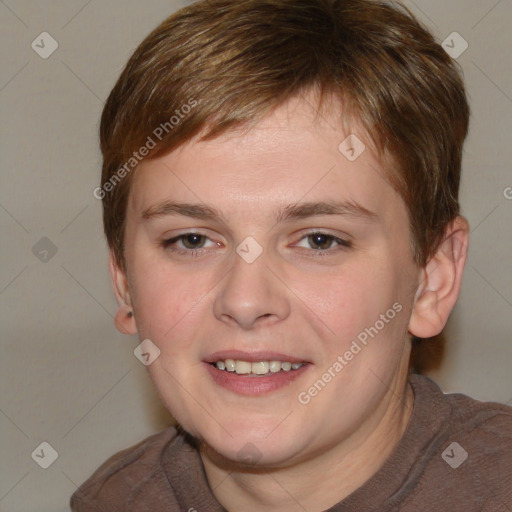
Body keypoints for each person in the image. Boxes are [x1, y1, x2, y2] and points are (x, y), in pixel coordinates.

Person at [71, 0, 512, 510]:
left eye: (319, 240)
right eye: (191, 240)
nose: (244, 300)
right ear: (124, 279)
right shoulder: (114, 500)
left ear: (431, 280)